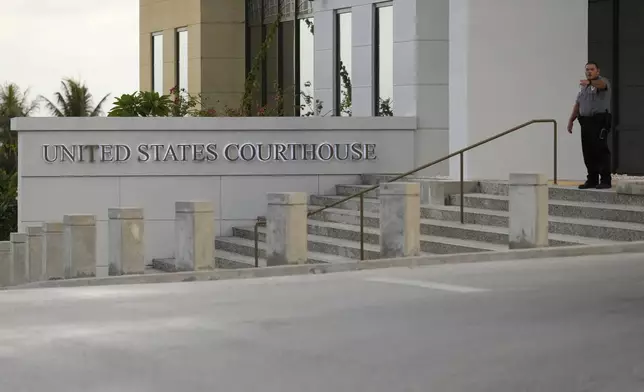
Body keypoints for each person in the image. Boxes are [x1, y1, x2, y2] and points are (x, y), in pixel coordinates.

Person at [567, 61, 613, 189]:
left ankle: (605, 180)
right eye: (587, 69)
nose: (589, 72)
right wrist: (571, 120)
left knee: (601, 150)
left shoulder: (602, 82)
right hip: (586, 122)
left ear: (597, 71)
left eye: (592, 69)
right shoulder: (584, 87)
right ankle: (592, 179)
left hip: (599, 120)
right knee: (588, 151)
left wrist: (590, 82)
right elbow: (578, 104)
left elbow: (602, 85)